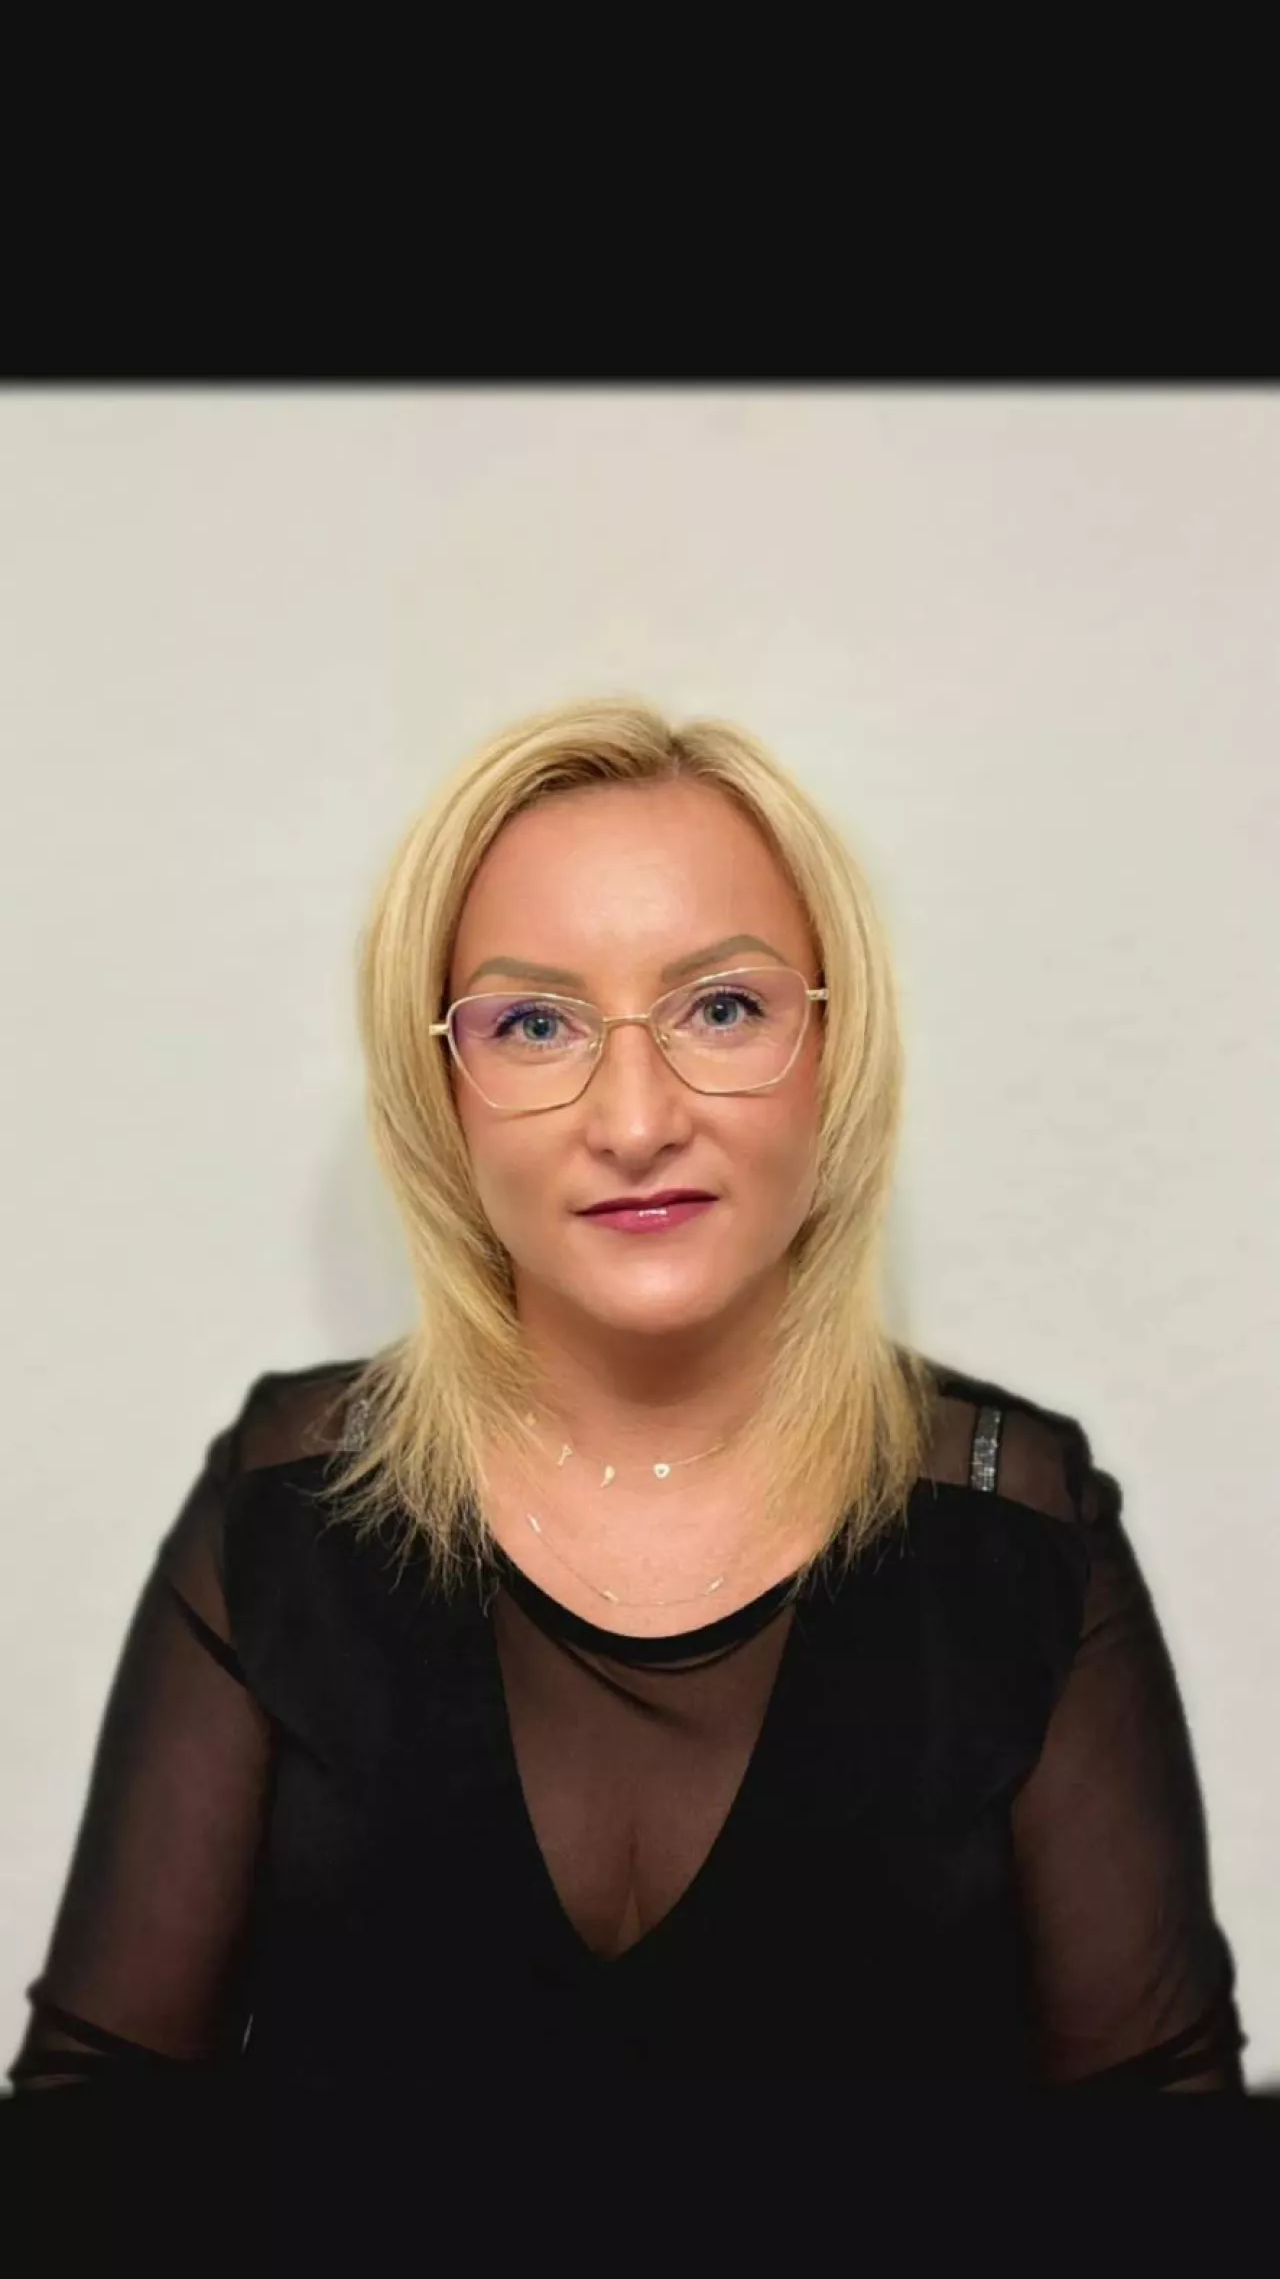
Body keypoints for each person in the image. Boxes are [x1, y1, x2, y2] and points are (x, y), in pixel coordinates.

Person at [5, 699, 1246, 2093]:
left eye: (723, 1007)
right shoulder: (285, 1503)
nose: (638, 1119)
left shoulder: (1017, 1520)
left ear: (833, 1052)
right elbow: (88, 2125)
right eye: (537, 1022)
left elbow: (1170, 2149)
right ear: (442, 1088)